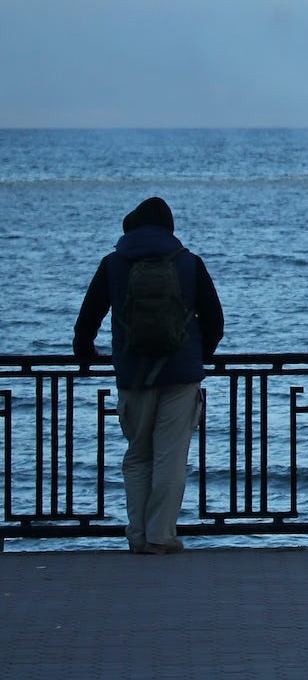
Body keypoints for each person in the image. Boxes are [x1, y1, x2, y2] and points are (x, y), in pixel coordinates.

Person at [72, 196, 225, 554]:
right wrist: (195, 358)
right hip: (181, 378)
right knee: (170, 459)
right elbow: (215, 322)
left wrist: (86, 356)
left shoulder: (112, 264)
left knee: (138, 455)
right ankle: (160, 536)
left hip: (133, 376)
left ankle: (138, 536)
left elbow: (86, 323)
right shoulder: (189, 263)